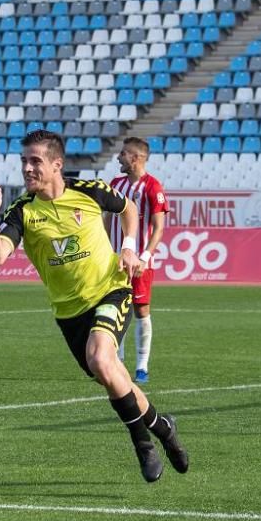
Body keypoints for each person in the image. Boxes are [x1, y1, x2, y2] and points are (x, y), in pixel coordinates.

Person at [0, 130, 188, 483]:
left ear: (57, 165)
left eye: (36, 161)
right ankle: (163, 427)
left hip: (110, 289)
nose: (27, 169)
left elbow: (130, 209)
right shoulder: (21, 211)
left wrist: (128, 247)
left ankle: (143, 445)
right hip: (69, 314)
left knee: (101, 359)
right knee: (112, 376)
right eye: (24, 162)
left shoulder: (88, 191)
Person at [107, 137, 169, 384]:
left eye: (122, 153)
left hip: (141, 262)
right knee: (112, 310)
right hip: (114, 260)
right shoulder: (115, 184)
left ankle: (142, 366)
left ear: (135, 158)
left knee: (141, 311)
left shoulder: (153, 186)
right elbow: (105, 219)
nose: (118, 157)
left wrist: (145, 257)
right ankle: (116, 362)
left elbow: (158, 228)